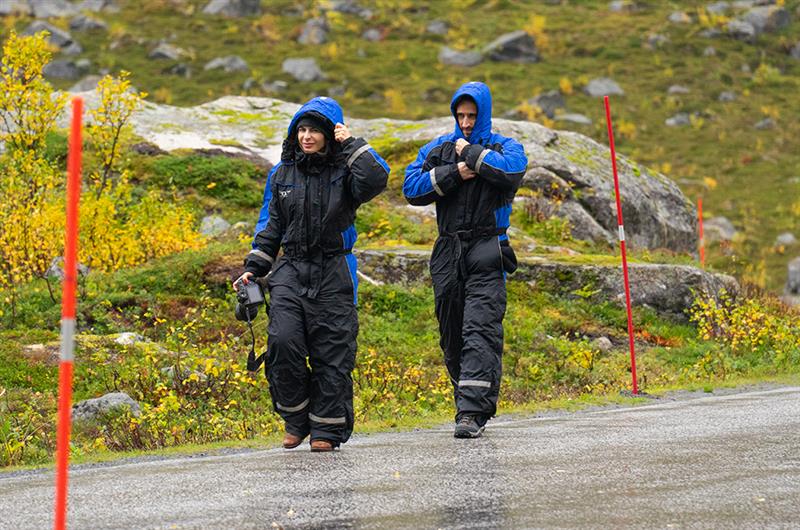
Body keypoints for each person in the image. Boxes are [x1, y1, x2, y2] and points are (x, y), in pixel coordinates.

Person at [234, 96, 389, 452]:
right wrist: (253, 269)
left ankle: (326, 430)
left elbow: (377, 178)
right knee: (283, 342)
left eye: (314, 131)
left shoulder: (347, 172)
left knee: (332, 353)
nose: (306, 136)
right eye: (301, 129)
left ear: (329, 134)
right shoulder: (283, 172)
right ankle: (297, 419)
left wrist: (350, 143)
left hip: (335, 270)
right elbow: (273, 226)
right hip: (290, 269)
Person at [403, 81, 528, 438]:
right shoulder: (438, 149)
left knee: (480, 328)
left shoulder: (506, 146)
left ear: (484, 113)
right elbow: (411, 189)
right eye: (461, 115)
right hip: (447, 252)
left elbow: (511, 172)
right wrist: (454, 172)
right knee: (452, 331)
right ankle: (471, 397)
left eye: (472, 115)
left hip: (488, 248)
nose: (467, 122)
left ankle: (471, 413)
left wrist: (472, 154)